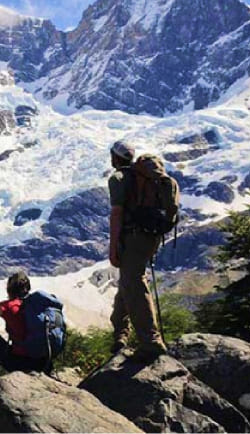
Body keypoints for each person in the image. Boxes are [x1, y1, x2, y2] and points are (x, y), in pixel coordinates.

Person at [108, 140, 168, 361]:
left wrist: (113, 247)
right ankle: (121, 335)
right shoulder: (141, 177)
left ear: (115, 157)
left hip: (133, 237)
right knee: (128, 281)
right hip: (150, 237)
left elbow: (116, 214)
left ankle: (151, 341)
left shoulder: (118, 179)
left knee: (134, 283)